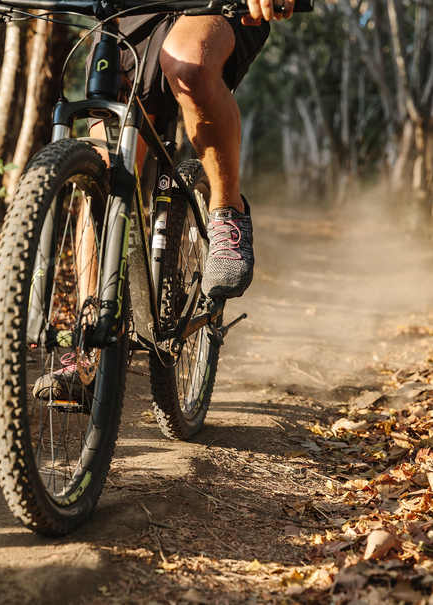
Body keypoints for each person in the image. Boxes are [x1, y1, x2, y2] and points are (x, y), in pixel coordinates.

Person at [33, 0, 295, 400]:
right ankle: (91, 354)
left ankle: (226, 210)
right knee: (104, 172)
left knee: (189, 65)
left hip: (214, 5)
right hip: (130, 7)